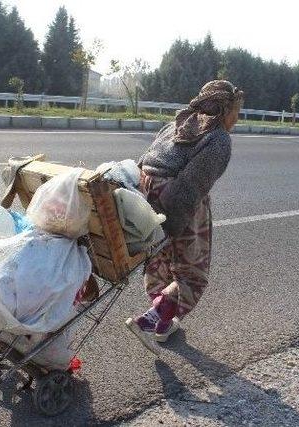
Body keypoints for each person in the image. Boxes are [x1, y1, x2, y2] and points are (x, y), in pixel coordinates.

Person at [125, 80, 244, 354]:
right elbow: (187, 190)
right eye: (237, 110)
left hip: (145, 191)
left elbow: (143, 162)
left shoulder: (176, 122)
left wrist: (150, 219)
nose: (237, 117)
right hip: (177, 198)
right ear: (226, 110)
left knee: (159, 261)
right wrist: (170, 228)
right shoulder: (218, 139)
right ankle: (150, 320)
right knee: (192, 273)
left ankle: (163, 323)